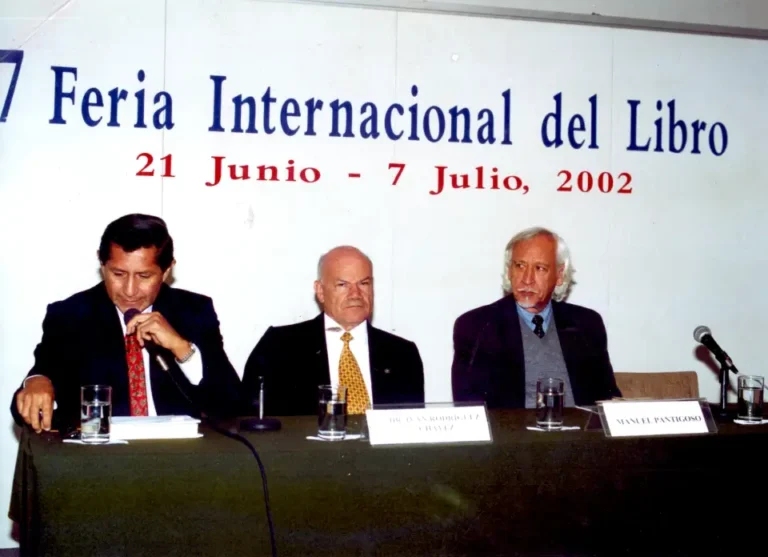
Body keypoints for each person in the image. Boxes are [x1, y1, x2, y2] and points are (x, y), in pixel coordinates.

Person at [11, 213, 243, 433]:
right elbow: (32, 393)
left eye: (144, 276)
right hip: (101, 462)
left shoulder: (193, 310)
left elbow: (235, 404)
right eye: (118, 274)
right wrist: (37, 382)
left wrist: (182, 349)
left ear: (166, 271)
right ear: (101, 264)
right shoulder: (71, 314)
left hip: (181, 459)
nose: (129, 291)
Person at [451, 227, 621, 409]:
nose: (527, 279)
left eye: (540, 268)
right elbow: (469, 407)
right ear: (509, 271)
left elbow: (608, 397)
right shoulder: (476, 326)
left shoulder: (587, 324)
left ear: (560, 275)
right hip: (513, 436)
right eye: (520, 266)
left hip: (579, 435)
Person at [243, 245, 424, 416]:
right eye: (343, 285)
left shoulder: (402, 354)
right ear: (320, 291)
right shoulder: (278, 347)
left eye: (364, 283)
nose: (355, 294)